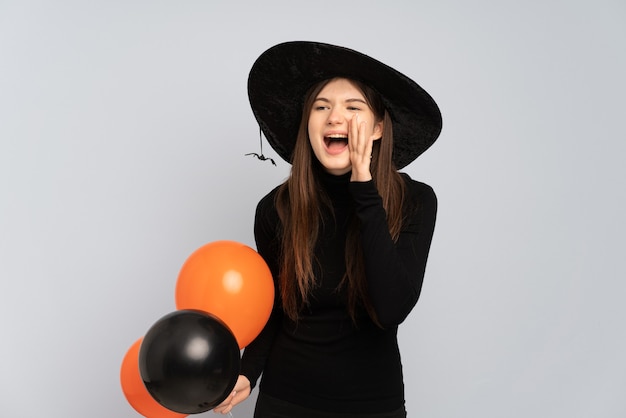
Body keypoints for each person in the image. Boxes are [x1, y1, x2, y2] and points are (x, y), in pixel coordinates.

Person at [214, 41, 442, 417]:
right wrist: (247, 372)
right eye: (322, 107)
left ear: (379, 127)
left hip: (372, 406)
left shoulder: (415, 201)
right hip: (284, 402)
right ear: (307, 124)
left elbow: (390, 309)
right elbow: (273, 308)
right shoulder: (275, 209)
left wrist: (364, 187)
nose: (336, 117)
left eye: (353, 108)